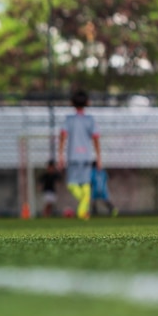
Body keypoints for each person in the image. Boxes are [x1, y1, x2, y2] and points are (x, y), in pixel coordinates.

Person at [58, 89, 101, 220]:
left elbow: (63, 136)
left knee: (72, 184)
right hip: (86, 156)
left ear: (72, 103)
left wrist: (60, 154)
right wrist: (99, 156)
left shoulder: (69, 120)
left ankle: (83, 208)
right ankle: (84, 207)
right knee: (85, 183)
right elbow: (96, 138)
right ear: (87, 102)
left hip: (73, 156)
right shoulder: (90, 120)